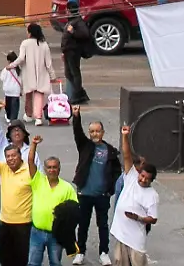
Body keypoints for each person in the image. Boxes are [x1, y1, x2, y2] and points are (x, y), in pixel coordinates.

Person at [66, 111, 118, 266]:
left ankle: (104, 252)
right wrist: (76, 117)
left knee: (102, 224)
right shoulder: (85, 146)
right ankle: (80, 252)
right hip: (84, 193)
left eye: (97, 131)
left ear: (102, 132)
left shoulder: (110, 151)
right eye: (92, 131)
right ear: (89, 133)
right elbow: (77, 133)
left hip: (102, 195)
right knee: (83, 224)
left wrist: (111, 190)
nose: (95, 134)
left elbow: (116, 172)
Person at [0, 129, 34, 266]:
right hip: (5, 223)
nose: (10, 159)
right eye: (8, 156)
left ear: (20, 156)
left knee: (21, 260)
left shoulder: (29, 171)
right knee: (6, 259)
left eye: (13, 156)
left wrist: (33, 145)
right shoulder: (3, 168)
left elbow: (32, 160)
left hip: (23, 224)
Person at [24, 141, 75, 266]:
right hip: (37, 232)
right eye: (49, 167)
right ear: (45, 169)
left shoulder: (67, 188)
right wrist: (34, 145)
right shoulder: (37, 181)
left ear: (59, 169)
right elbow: (30, 161)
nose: (52, 170)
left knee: (55, 263)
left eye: (54, 167)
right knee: (33, 263)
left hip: (56, 234)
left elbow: (74, 210)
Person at [108, 159, 158, 266]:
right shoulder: (130, 178)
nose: (143, 180)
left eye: (147, 179)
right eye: (142, 176)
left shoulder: (152, 195)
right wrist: (126, 140)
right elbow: (126, 156)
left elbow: (153, 219)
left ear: (151, 181)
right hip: (121, 237)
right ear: (138, 174)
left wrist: (138, 218)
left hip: (136, 242)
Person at [14, 26, 55, 126]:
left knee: (28, 94)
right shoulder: (44, 45)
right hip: (41, 73)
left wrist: (12, 65)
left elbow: (21, 58)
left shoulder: (25, 43)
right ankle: (38, 117)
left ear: (30, 33)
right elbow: (48, 63)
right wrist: (52, 75)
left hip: (28, 73)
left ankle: (28, 115)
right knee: (39, 94)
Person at [58, 20, 93, 107]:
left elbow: (85, 34)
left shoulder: (78, 22)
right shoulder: (71, 22)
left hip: (73, 52)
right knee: (68, 73)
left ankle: (77, 94)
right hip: (67, 51)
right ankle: (78, 92)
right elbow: (65, 38)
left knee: (74, 72)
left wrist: (73, 32)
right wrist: (63, 51)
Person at [0, 57, 22, 122]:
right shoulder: (18, 70)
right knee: (15, 106)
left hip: (8, 89)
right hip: (16, 89)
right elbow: (21, 80)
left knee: (8, 104)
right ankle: (13, 118)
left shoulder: (6, 69)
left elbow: (2, 78)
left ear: (8, 61)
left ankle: (8, 116)